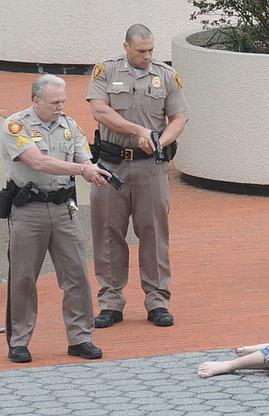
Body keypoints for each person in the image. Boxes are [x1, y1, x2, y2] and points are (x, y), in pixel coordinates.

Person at [0, 74, 111, 363]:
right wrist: (81, 170)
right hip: (29, 211)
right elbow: (38, 161)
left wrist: (92, 170)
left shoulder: (69, 126)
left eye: (62, 101)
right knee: (23, 277)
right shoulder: (16, 126)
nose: (60, 107)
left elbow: (83, 158)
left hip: (63, 210)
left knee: (76, 275)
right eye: (54, 102)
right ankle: (20, 341)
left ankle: (80, 338)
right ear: (36, 100)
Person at [86, 23, 187, 328]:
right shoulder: (106, 71)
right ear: (126, 46)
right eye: (141, 51)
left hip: (150, 166)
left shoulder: (166, 75)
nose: (147, 55)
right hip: (111, 165)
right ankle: (111, 302)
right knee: (108, 232)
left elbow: (179, 117)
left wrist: (160, 140)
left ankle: (157, 301)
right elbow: (100, 112)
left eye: (151, 50)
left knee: (154, 233)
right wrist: (139, 130)